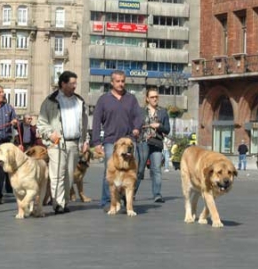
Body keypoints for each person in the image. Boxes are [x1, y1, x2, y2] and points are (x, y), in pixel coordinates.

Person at [38, 71, 89, 215]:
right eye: (72, 83)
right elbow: (41, 123)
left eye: (75, 83)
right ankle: (58, 203)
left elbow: (84, 123)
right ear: (63, 84)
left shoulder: (79, 101)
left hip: (73, 143)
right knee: (57, 174)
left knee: (69, 175)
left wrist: (85, 140)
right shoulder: (50, 101)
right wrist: (50, 133)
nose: (75, 86)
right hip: (57, 142)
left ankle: (65, 201)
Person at [91, 70, 143, 212]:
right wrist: (96, 142)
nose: (121, 84)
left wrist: (137, 128)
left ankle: (128, 199)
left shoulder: (131, 99)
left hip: (129, 139)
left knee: (134, 170)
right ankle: (108, 201)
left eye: (123, 81)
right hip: (111, 141)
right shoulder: (103, 100)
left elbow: (139, 116)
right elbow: (96, 121)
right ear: (112, 82)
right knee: (109, 171)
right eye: (118, 81)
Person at [135, 87, 170, 203]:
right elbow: (136, 126)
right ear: (147, 99)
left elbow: (168, 129)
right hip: (143, 142)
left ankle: (157, 195)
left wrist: (158, 126)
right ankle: (132, 192)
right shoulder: (141, 111)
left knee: (156, 169)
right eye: (152, 97)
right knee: (140, 169)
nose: (155, 99)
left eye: (156, 97)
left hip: (157, 142)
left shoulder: (163, 112)